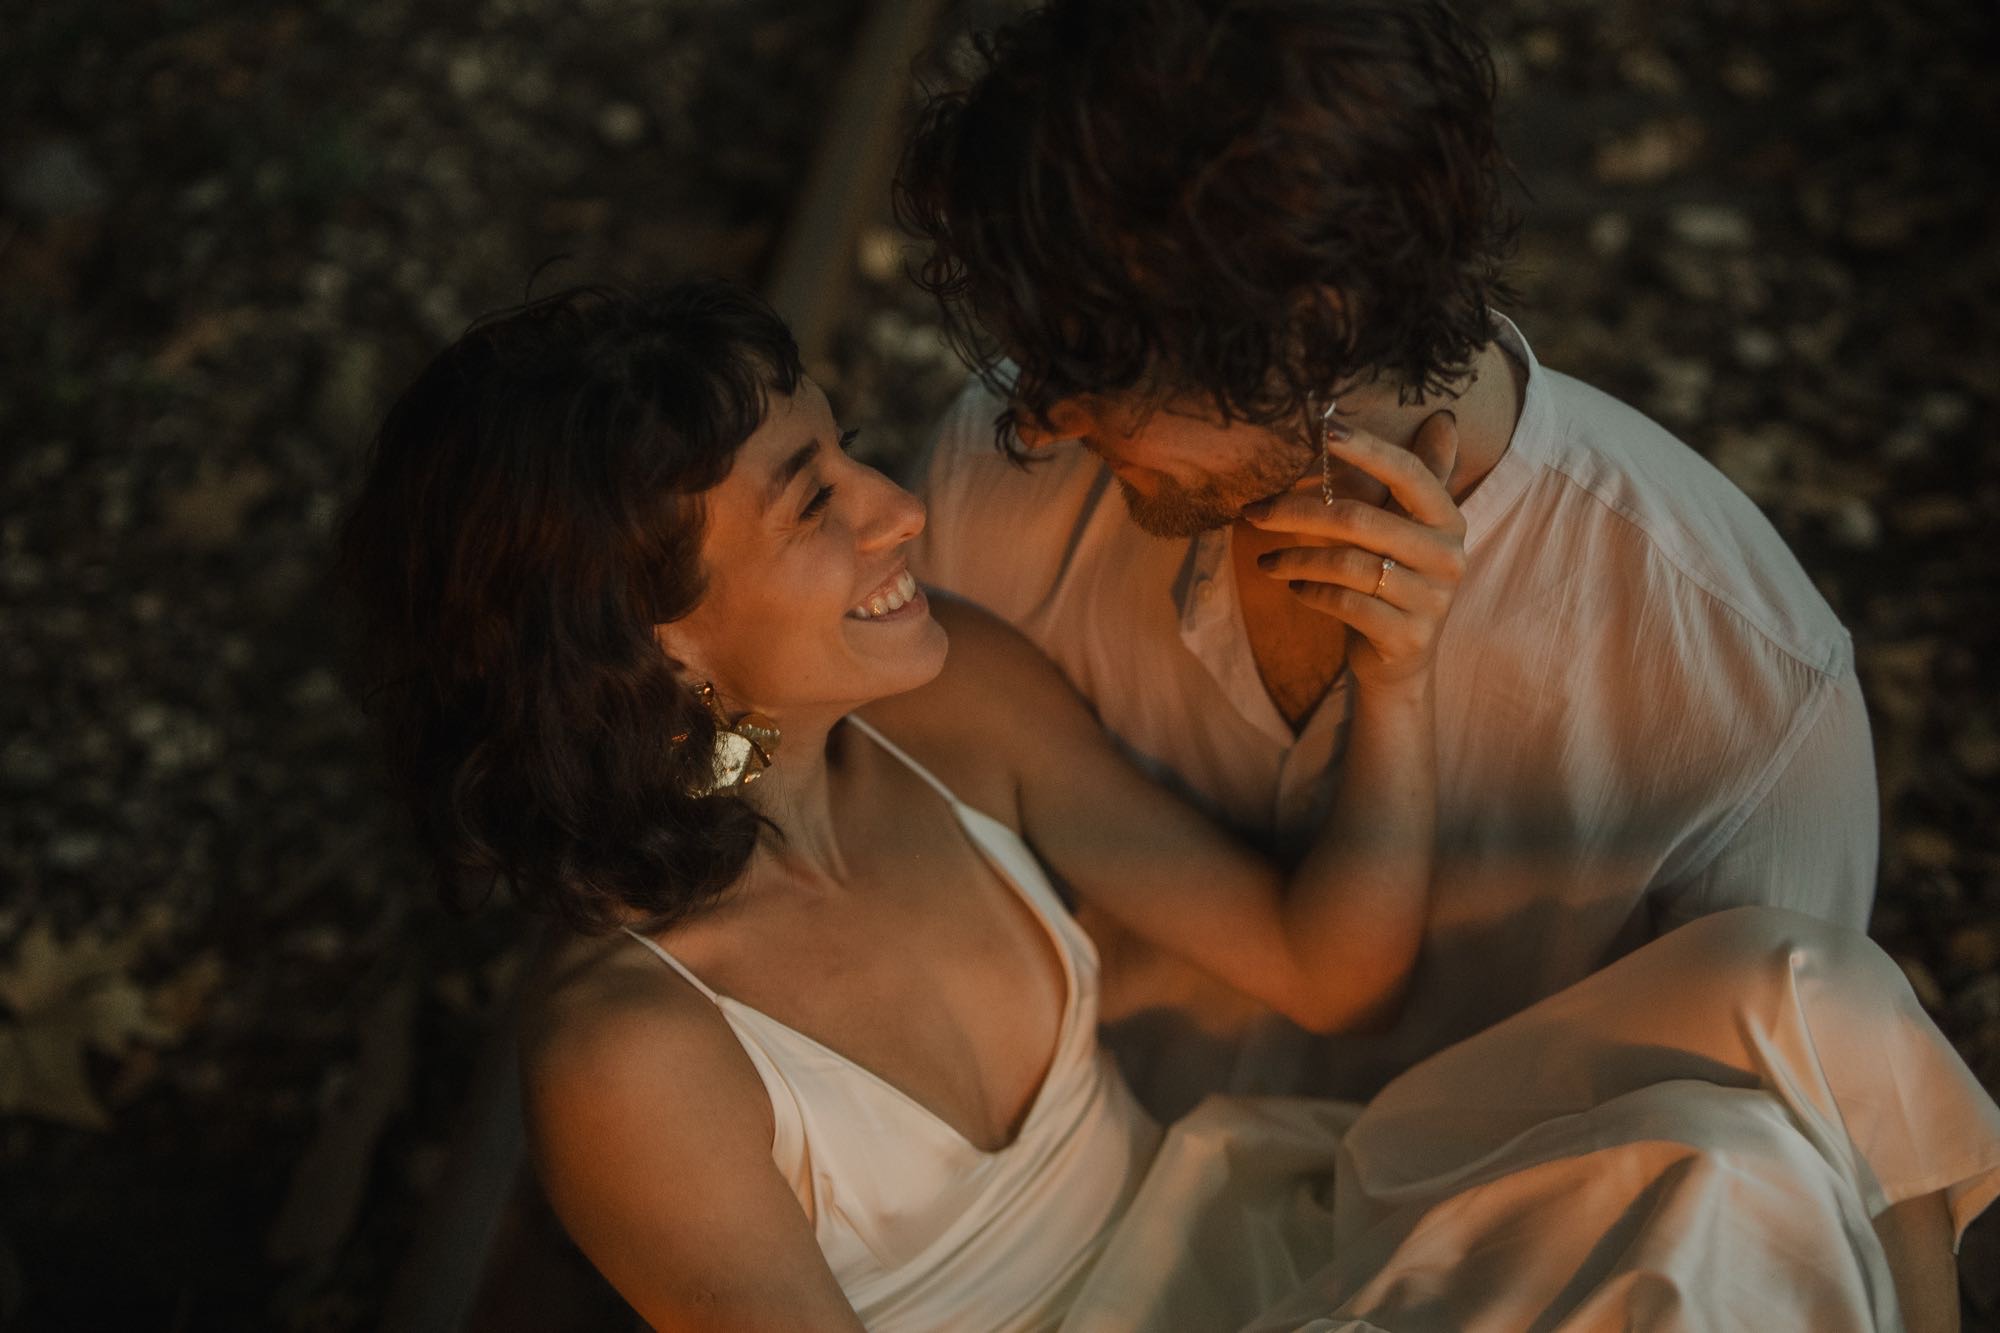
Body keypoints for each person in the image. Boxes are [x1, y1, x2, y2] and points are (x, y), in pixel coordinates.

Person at [337, 280, 1997, 1332]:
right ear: (642, 636)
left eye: (849, 451)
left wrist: (1394, 680)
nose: (898, 506)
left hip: (1260, 1224)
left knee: (1802, 996)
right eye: (810, 500)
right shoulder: (633, 1055)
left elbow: (1325, 969)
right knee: (1717, 1215)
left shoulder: (943, 710)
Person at [894, 0, 1881, 1112]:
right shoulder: (993, 481)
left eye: (1096, 372)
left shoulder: (1747, 697)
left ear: (1315, 331)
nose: (1039, 419)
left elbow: (1767, 1160)